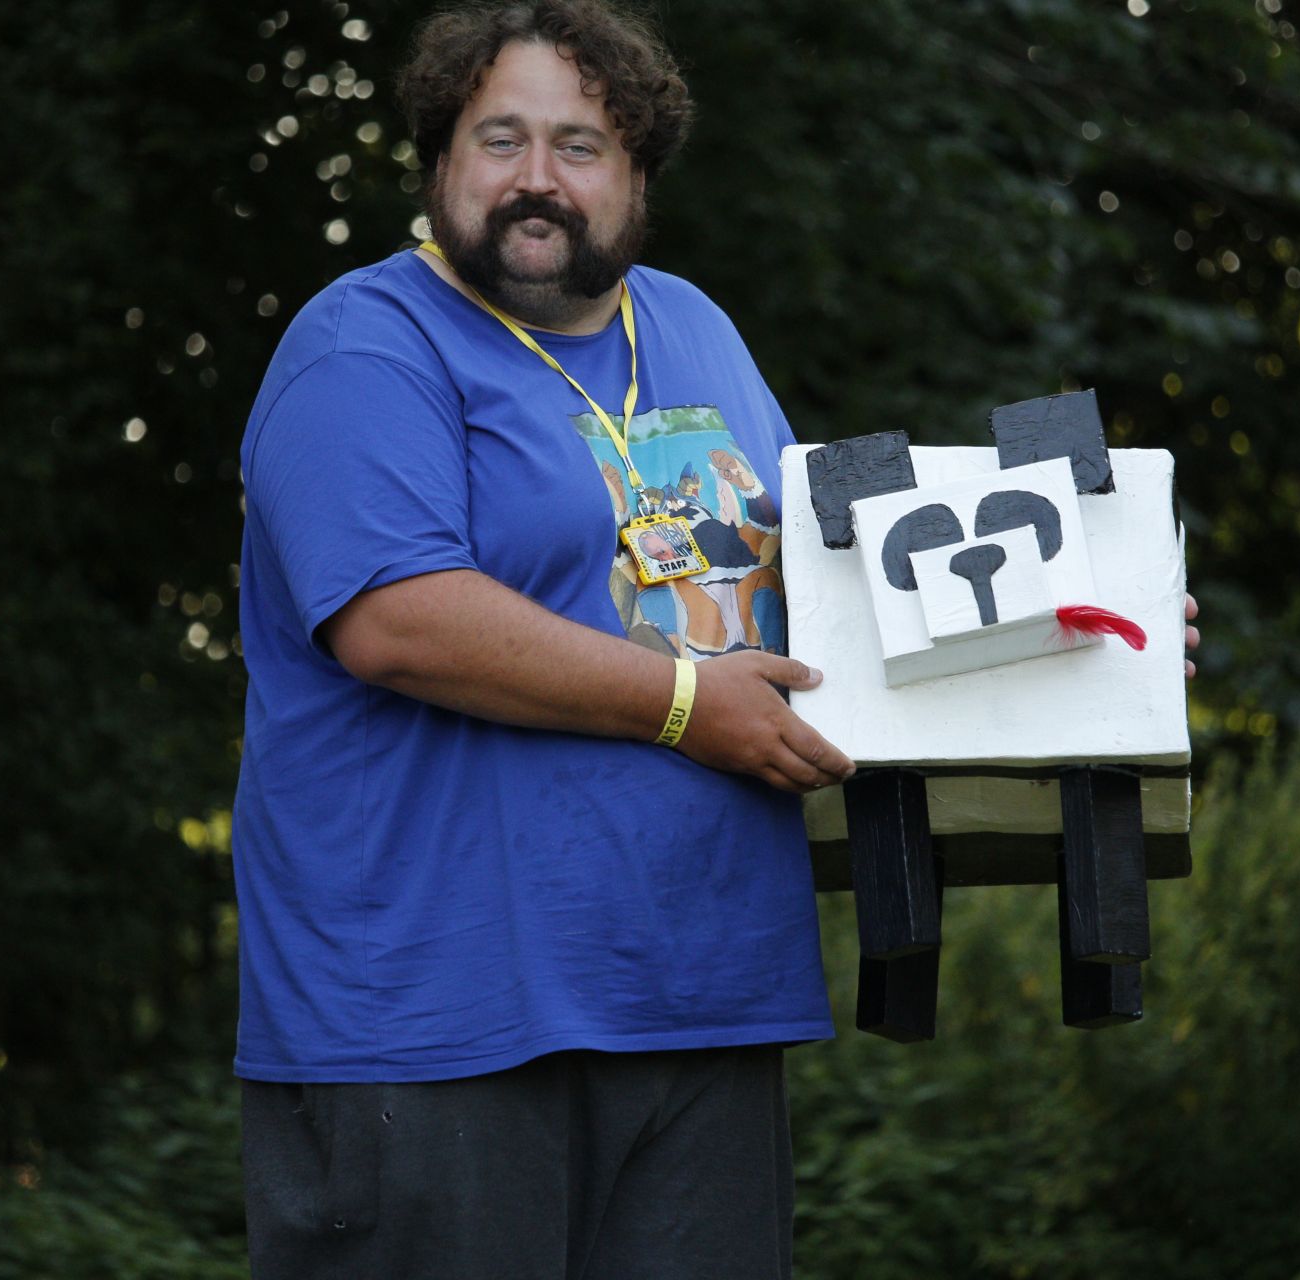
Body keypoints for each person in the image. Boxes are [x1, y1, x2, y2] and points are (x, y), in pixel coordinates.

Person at [231, 3, 854, 1275]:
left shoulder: (697, 327)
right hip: (431, 1023)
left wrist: (1066, 643)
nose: (536, 178)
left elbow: (834, 585)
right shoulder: (364, 343)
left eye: (579, 146)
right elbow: (401, 618)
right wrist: (686, 702)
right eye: (499, 138)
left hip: (702, 1004)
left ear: (638, 175)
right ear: (438, 159)